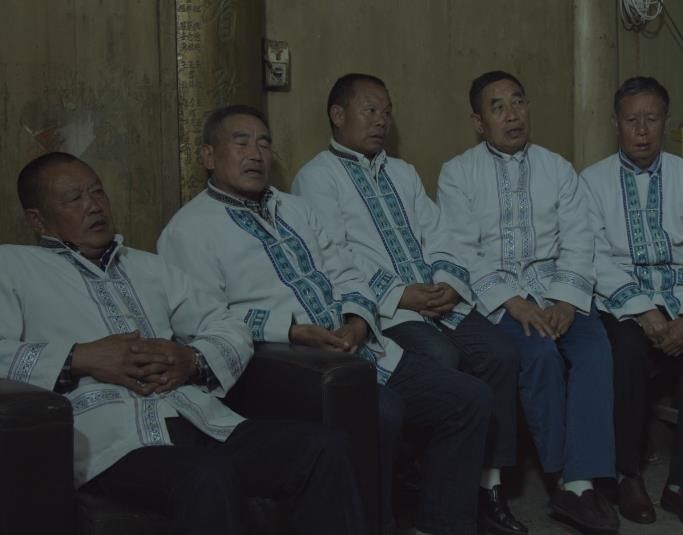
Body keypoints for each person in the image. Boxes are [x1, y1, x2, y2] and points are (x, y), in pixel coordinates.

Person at [158, 105, 492, 535]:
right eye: (240, 143)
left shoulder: (295, 209)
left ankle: (441, 526)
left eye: (263, 143)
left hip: (362, 350)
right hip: (281, 367)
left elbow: (346, 272)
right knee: (382, 412)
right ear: (208, 155)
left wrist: (356, 320)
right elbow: (203, 324)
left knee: (469, 398)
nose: (255, 154)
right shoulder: (188, 230)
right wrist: (291, 331)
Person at [2, 152, 367, 535]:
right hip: (113, 445)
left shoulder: (148, 267)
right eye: (74, 199)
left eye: (97, 192)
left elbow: (227, 325)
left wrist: (192, 359)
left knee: (323, 448)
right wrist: (79, 357)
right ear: (37, 220)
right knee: (207, 476)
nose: (93, 206)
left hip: (202, 422)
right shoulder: (13, 267)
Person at [291, 74, 525, 535]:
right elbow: (333, 256)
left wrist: (447, 282)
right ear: (338, 115)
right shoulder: (316, 178)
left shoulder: (403, 172)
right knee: (441, 356)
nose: (381, 121)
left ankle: (487, 483)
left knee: (501, 353)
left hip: (437, 299)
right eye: (369, 110)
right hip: (387, 309)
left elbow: (439, 233)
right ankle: (424, 482)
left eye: (386, 112)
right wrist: (400, 293)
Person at [436, 70, 619, 534]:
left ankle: (580, 483)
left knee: (595, 350)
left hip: (556, 288)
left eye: (518, 102)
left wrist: (567, 300)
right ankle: (560, 474)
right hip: (497, 297)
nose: (511, 115)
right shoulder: (458, 173)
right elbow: (461, 250)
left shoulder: (557, 168)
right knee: (538, 354)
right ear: (478, 121)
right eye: (497, 107)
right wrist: (512, 303)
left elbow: (579, 239)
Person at [581, 76, 683, 530]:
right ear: (615, 123)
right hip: (623, 300)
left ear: (665, 121)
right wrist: (642, 309)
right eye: (632, 120)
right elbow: (593, 256)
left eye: (651, 119)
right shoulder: (592, 182)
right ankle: (626, 476)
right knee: (623, 353)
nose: (642, 130)